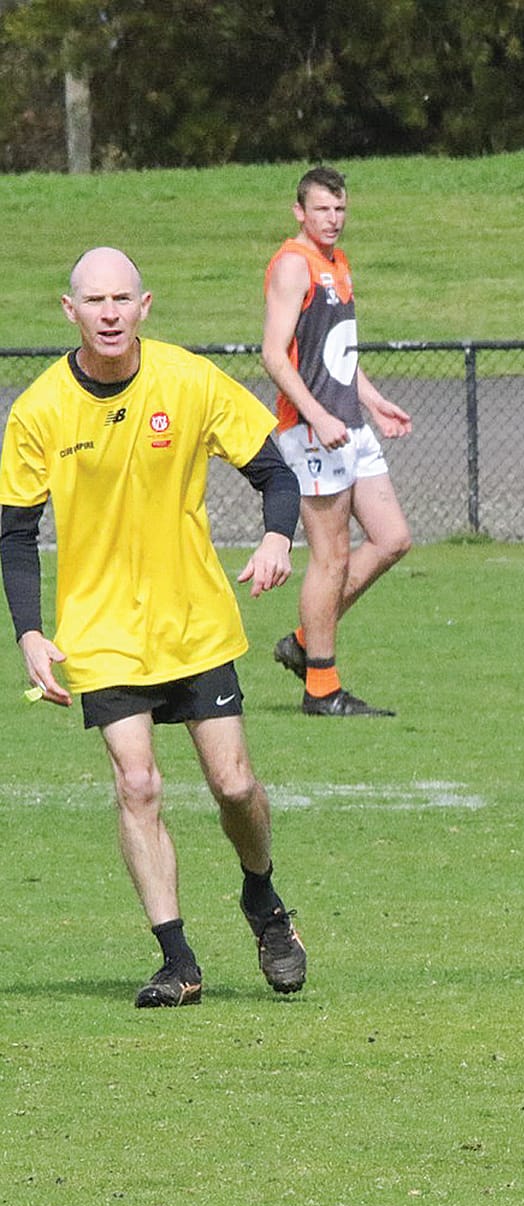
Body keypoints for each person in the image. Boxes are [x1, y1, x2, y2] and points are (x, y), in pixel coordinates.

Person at [1, 247, 310, 1007]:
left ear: (145, 306)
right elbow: (14, 531)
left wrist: (277, 536)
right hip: (102, 633)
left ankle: (263, 898)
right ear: (68, 310)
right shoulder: (38, 409)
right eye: (93, 300)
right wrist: (30, 632)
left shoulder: (188, 379)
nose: (109, 314)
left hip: (194, 621)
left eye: (122, 299)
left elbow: (275, 471)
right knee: (136, 783)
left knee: (234, 785)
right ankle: (178, 961)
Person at [262, 165, 413, 718]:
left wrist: (371, 399)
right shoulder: (293, 265)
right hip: (312, 431)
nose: (333, 219)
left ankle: (305, 641)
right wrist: (318, 416)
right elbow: (273, 355)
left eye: (340, 209)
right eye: (322, 209)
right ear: (299, 212)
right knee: (331, 558)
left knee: (393, 538)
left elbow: (338, 350)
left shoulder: (338, 262)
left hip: (349, 424)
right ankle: (321, 689)